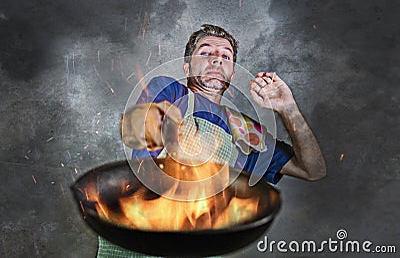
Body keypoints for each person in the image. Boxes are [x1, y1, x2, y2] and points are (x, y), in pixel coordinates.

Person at [99, 24, 326, 257]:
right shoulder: (169, 91)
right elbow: (143, 139)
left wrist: (288, 109)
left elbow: (312, 170)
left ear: (232, 73)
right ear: (187, 67)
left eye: (225, 56)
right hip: (144, 239)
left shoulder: (246, 132)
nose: (217, 60)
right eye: (206, 52)